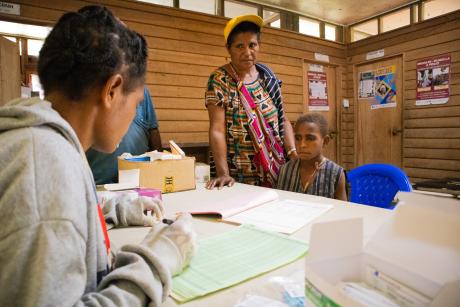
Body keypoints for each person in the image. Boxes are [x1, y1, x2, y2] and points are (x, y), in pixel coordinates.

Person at [0, 5, 196, 306]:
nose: (133, 114)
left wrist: (114, 208)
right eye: (136, 101)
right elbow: (48, 207)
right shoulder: (46, 165)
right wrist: (160, 258)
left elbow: (55, 212)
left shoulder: (44, 140)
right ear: (112, 90)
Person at [206, 14, 297, 190]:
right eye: (239, 46)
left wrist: (293, 154)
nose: (247, 52)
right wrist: (223, 173)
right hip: (236, 179)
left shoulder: (268, 78)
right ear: (228, 49)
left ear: (259, 46)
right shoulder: (219, 79)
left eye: (252, 45)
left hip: (275, 174)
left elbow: (282, 119)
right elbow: (217, 129)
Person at [86, 87, 162, 184]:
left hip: (138, 182)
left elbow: (153, 129)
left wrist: (160, 168)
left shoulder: (141, 90)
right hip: (99, 183)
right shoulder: (92, 88)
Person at [276, 113, 347, 201]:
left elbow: (342, 209)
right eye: (298, 138)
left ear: (325, 141)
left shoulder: (336, 173)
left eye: (310, 138)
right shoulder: (286, 170)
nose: (302, 145)